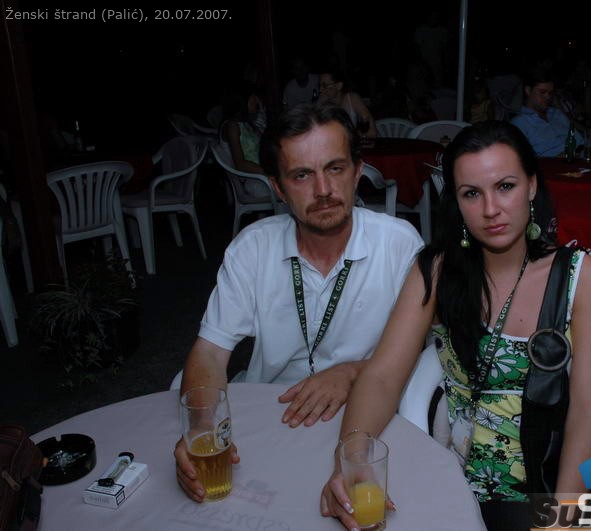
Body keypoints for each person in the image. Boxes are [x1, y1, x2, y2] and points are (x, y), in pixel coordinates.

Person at [320, 121, 591, 529]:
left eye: (505, 186)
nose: (491, 209)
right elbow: (383, 376)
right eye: (472, 193)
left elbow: (588, 411)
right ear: (456, 202)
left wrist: (561, 519)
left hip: (547, 484)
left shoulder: (581, 277)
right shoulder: (437, 271)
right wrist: (351, 462)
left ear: (531, 186)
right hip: (454, 481)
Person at [174, 103, 424, 502]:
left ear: (358, 171)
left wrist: (352, 372)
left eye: (335, 168)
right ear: (277, 187)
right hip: (271, 412)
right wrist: (202, 429)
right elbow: (210, 352)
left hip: (367, 414)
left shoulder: (399, 244)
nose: (323, 190)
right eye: (302, 175)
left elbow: (423, 352)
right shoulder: (252, 248)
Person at [511, 67, 586, 157]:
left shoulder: (557, 114)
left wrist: (590, 151)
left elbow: (582, 141)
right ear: (528, 90)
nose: (548, 97)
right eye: (542, 92)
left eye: (550, 93)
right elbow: (522, 159)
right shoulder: (520, 123)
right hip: (553, 163)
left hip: (580, 158)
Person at [318, 68, 378, 138]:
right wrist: (318, 104)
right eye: (320, 85)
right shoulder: (322, 103)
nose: (320, 89)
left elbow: (372, 131)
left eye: (324, 85)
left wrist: (357, 135)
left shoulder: (352, 99)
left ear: (339, 86)